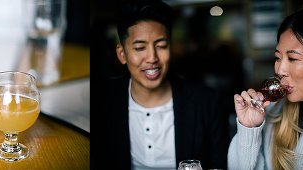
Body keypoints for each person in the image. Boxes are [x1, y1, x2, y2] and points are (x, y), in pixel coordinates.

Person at [90, 0, 229, 169]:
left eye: (161, 46)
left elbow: (220, 165)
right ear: (122, 54)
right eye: (140, 48)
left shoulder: (207, 102)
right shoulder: (100, 102)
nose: (152, 58)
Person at [229, 8, 303, 169]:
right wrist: (249, 128)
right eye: (278, 58)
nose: (280, 70)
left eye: (292, 58)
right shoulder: (272, 114)